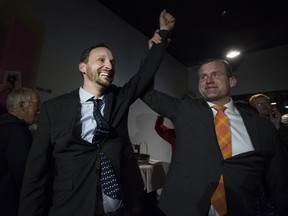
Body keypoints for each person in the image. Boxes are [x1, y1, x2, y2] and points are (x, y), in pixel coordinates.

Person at [18, 10, 175, 216]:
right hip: (71, 206)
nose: (109, 65)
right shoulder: (53, 109)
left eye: (112, 62)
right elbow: (36, 174)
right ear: (82, 67)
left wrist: (163, 34)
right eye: (101, 60)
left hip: (119, 207)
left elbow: (144, 75)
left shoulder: (119, 99)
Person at [142, 58, 288, 216]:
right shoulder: (185, 110)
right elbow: (145, 92)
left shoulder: (262, 128)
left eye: (215, 74)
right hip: (184, 209)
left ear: (231, 81)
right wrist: (155, 51)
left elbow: (279, 182)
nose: (208, 80)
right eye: (203, 76)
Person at [0, 87, 40, 216]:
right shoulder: (17, 132)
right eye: (36, 106)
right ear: (22, 106)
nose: (38, 111)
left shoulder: (4, 125)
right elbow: (25, 175)